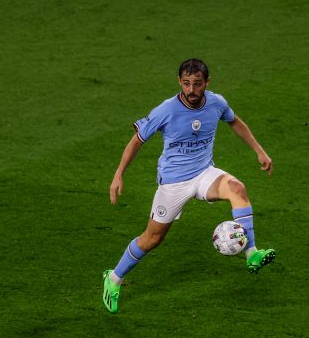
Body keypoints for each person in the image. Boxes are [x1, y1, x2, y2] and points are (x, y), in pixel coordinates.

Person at [101, 58, 275, 313]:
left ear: (207, 83)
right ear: (179, 82)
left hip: (205, 173)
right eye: (186, 84)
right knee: (152, 239)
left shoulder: (216, 102)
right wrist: (118, 174)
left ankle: (252, 253)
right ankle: (113, 278)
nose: (192, 90)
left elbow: (234, 121)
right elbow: (137, 140)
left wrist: (259, 151)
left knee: (237, 188)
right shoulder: (166, 110)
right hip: (173, 183)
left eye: (197, 84)